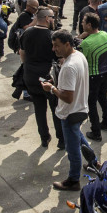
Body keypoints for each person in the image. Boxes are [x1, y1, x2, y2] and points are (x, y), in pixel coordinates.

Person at [45, 30, 101, 191]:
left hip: (70, 112)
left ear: (67, 44)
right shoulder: (78, 56)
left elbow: (67, 97)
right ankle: (94, 162)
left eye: (57, 46)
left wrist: (52, 88)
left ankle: (73, 180)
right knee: (79, 136)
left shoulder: (68, 66)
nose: (54, 49)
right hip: (81, 108)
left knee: (72, 149)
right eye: (53, 45)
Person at [20, 8, 64, 148]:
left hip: (31, 76)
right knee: (55, 108)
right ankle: (61, 139)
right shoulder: (52, 36)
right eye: (52, 17)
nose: (53, 20)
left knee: (39, 108)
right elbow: (60, 57)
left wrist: (28, 66)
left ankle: (44, 138)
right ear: (46, 18)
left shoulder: (27, 32)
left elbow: (22, 53)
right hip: (47, 77)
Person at [80, 13, 107, 141]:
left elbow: (81, 60)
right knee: (103, 98)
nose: (82, 24)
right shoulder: (105, 35)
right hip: (106, 73)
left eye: (83, 22)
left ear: (89, 25)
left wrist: (79, 38)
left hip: (93, 76)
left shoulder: (86, 43)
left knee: (91, 104)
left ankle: (96, 132)